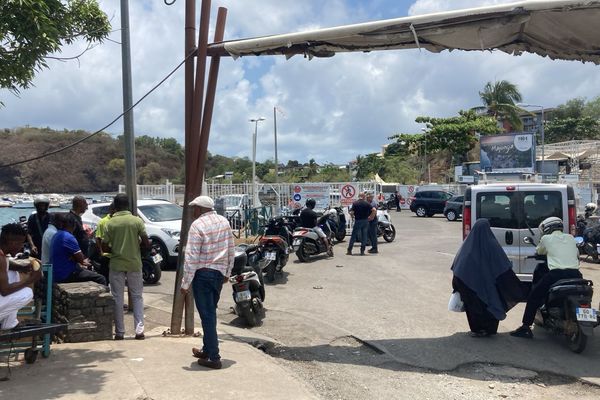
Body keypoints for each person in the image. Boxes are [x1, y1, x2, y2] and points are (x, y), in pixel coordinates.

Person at [181, 195, 234, 369]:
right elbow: (230, 250)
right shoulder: (224, 222)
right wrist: (227, 271)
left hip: (202, 274)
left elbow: (191, 256)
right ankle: (207, 349)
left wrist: (185, 282)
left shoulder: (197, 225)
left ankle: (213, 356)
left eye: (194, 207)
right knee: (210, 314)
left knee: (207, 316)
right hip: (218, 274)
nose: (193, 211)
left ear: (200, 208)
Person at [511, 217, 581, 339]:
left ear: (547, 228)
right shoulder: (570, 238)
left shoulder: (546, 238)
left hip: (556, 274)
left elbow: (539, 251)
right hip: (576, 274)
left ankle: (526, 327)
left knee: (533, 296)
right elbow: (576, 254)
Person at [451, 219, 523, 337]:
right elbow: (503, 264)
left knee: (474, 306)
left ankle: (477, 329)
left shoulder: (467, 246)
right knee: (492, 302)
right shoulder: (492, 244)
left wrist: (456, 285)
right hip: (488, 285)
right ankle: (489, 329)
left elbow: (458, 267)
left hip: (469, 285)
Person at [103, 194, 150, 341]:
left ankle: (119, 332)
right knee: (137, 297)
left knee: (117, 298)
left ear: (115, 206)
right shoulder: (137, 221)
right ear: (128, 206)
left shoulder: (110, 223)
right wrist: (136, 248)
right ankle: (139, 331)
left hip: (116, 263)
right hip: (134, 263)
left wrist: (116, 250)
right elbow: (146, 242)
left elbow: (104, 245)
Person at [0, 223, 42, 331]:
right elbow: (4, 290)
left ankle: (10, 322)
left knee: (13, 273)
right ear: (11, 242)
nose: (22, 247)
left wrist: (21, 267)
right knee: (27, 293)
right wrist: (30, 280)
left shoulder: (3, 255)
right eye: (21, 243)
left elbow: (7, 263)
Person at [51, 213, 106, 285]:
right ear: (73, 225)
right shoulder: (69, 237)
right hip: (65, 274)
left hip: (56, 272)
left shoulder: (57, 234)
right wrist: (83, 260)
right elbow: (81, 260)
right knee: (101, 278)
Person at [94, 203, 115, 282]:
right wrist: (101, 253)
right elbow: (98, 238)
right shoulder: (103, 222)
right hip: (107, 256)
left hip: (117, 255)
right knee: (105, 278)